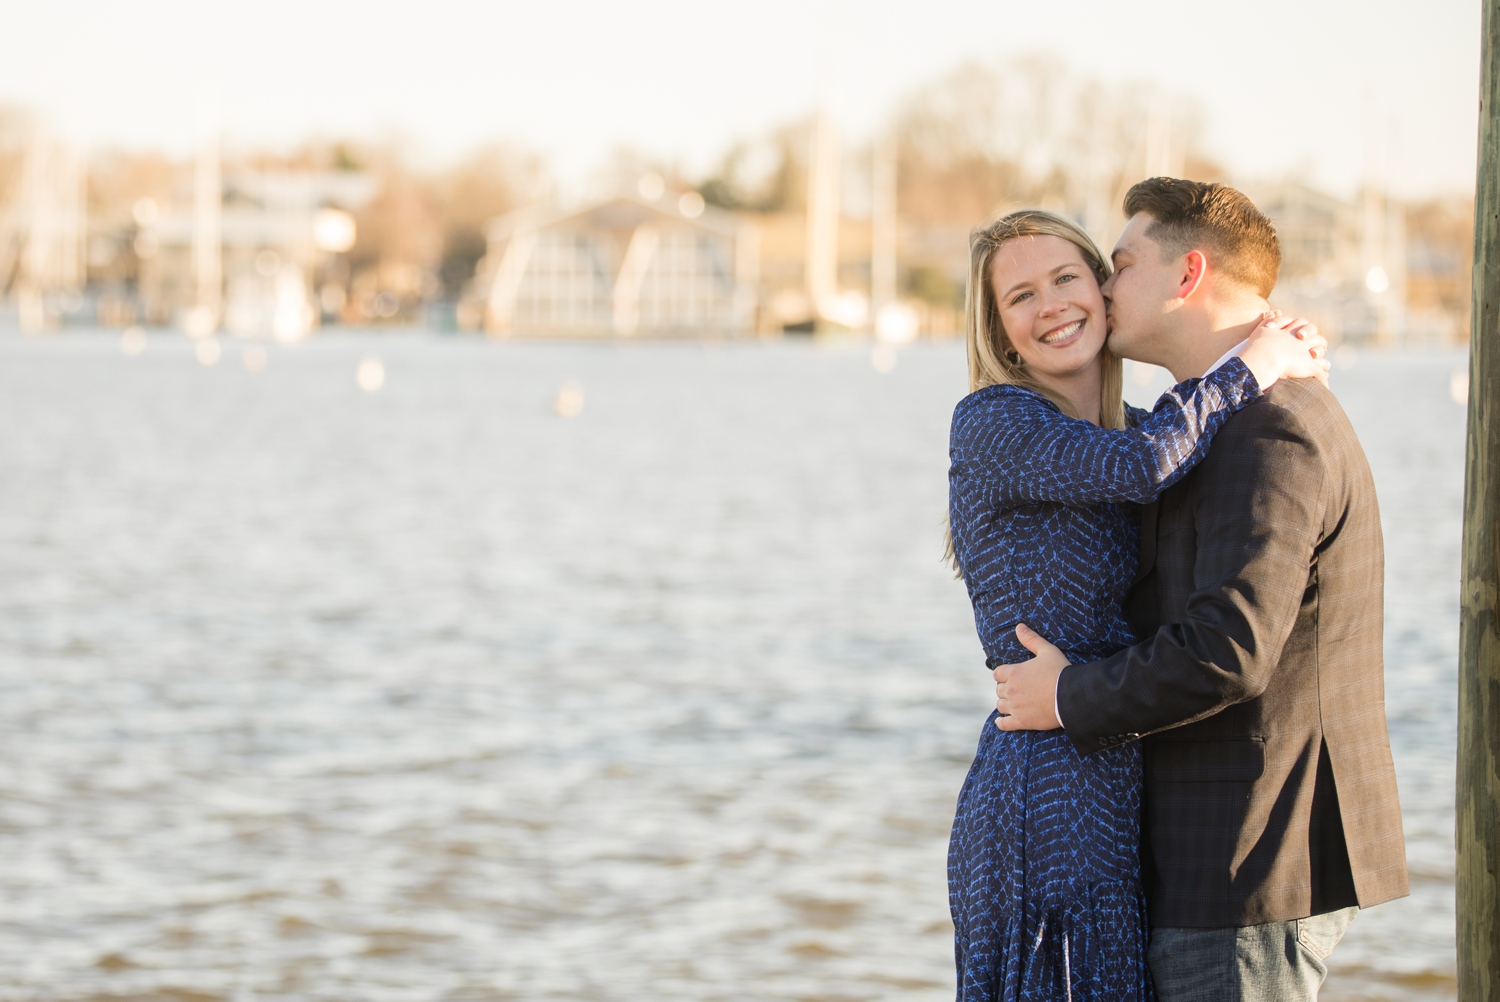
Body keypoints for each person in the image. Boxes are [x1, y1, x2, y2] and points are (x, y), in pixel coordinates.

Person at [992, 179, 1409, 1001]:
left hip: (1246, 858)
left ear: (1186, 275)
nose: (1105, 289)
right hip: (1220, 857)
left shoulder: (1271, 427)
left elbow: (1231, 646)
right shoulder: (1216, 418)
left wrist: (1069, 695)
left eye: (1119, 265)